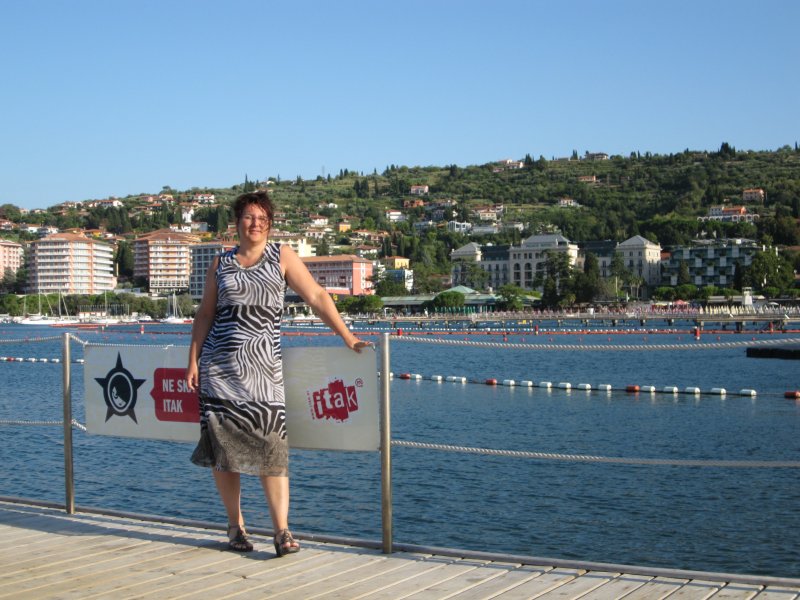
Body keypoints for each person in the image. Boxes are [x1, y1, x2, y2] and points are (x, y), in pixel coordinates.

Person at [185, 190, 371, 557]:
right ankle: (235, 527)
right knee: (224, 454)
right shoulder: (220, 264)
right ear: (237, 222)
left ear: (270, 224)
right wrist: (193, 360)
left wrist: (347, 336)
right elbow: (205, 314)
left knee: (273, 450)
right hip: (219, 371)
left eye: (262, 218)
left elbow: (317, 296)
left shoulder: (282, 256)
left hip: (264, 375)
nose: (256, 224)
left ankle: (282, 531)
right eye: (249, 217)